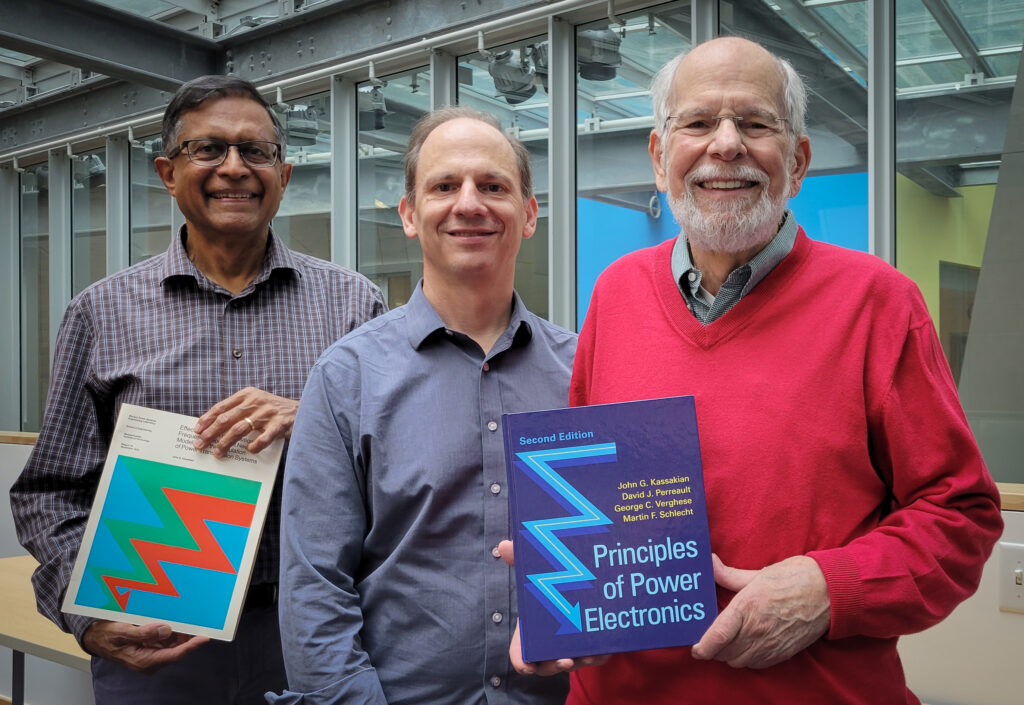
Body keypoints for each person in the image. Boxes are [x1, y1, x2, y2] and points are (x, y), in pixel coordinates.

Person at [507, 37, 1003, 704]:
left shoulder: (880, 304)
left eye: (756, 121)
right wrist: (561, 598)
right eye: (699, 121)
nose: (727, 144)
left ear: (796, 162)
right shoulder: (615, 292)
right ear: (660, 158)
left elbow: (961, 516)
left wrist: (830, 589)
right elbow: (594, 507)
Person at [10, 74, 386, 704]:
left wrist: (317, 418)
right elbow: (50, 493)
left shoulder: (354, 305)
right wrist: (86, 615)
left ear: (284, 176)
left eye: (256, 151)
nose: (234, 168)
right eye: (207, 149)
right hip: (159, 641)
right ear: (166, 172)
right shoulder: (100, 312)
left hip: (317, 631)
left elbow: (397, 464)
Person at [271, 106, 575, 705]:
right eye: (444, 186)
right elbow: (314, 590)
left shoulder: (583, 371)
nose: (469, 204)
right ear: (410, 214)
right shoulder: (345, 378)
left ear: (530, 213)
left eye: (493, 186)